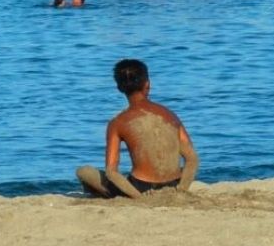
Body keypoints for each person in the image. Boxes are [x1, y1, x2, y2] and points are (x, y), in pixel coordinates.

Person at [76, 59, 199, 198]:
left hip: (141, 187)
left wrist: (139, 198)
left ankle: (100, 198)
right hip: (174, 184)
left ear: (119, 88)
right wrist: (181, 189)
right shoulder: (170, 115)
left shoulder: (117, 122)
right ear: (147, 84)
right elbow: (192, 159)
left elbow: (111, 172)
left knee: (83, 171)